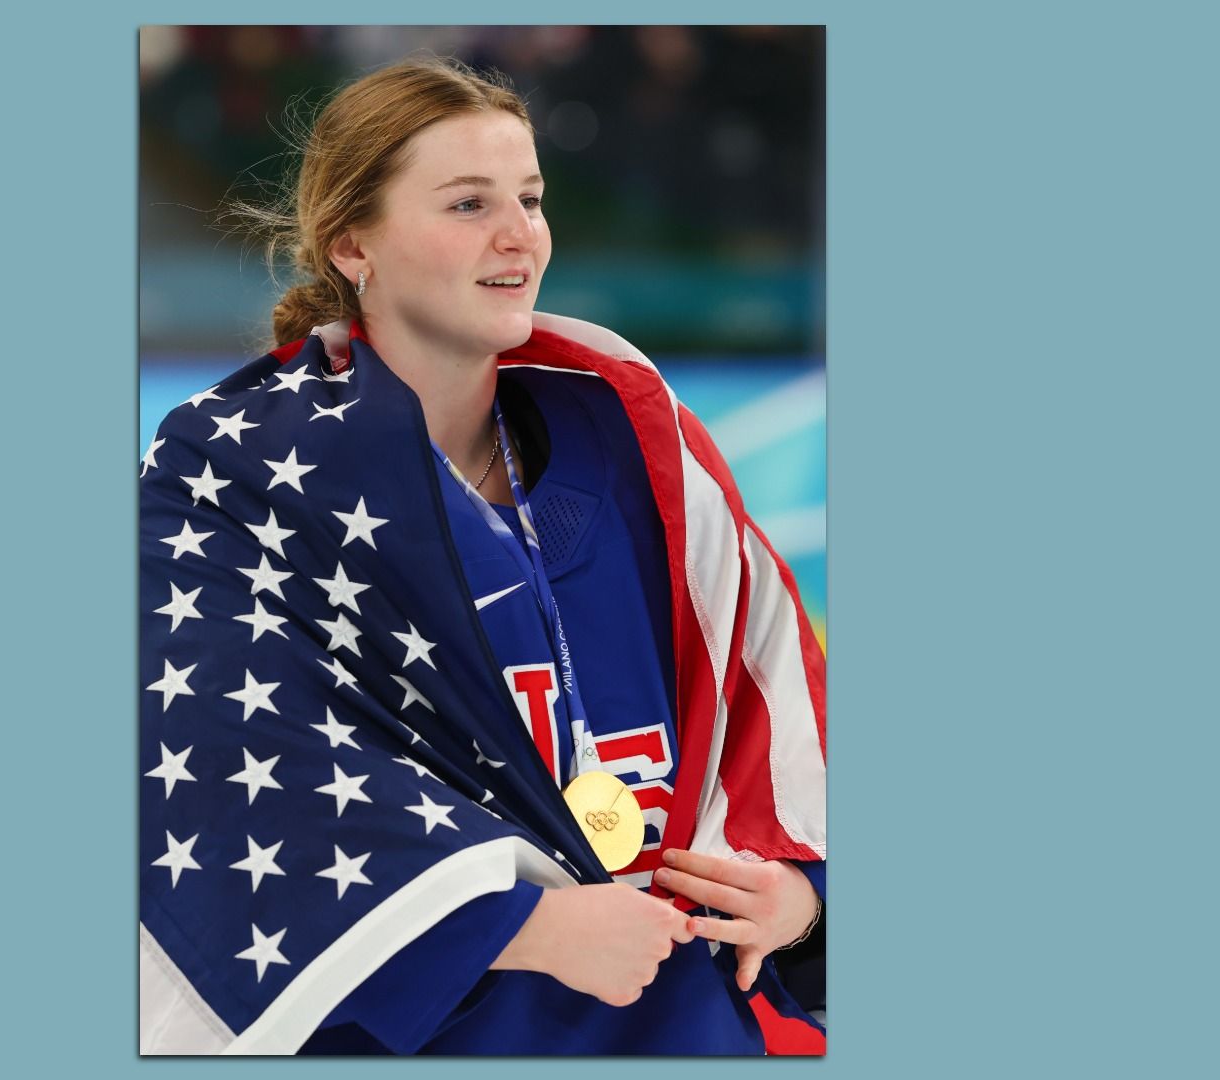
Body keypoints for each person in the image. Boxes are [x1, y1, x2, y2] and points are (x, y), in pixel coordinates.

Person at [138, 56, 826, 1055]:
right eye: (468, 203)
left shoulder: (637, 437)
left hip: (679, 1031)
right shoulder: (233, 475)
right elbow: (201, 785)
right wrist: (523, 929)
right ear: (353, 244)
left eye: (532, 198)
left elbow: (783, 752)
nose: (520, 235)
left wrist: (798, 901)